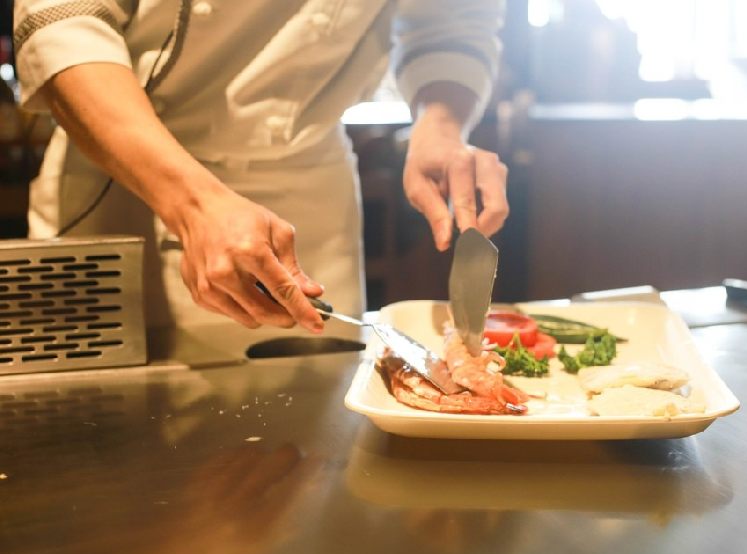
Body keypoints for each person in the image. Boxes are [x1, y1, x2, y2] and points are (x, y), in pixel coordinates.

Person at [12, 0, 509, 331]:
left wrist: (441, 126)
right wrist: (193, 205)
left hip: (309, 191)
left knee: (317, 452)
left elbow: (452, 22)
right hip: (128, 174)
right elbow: (64, 24)